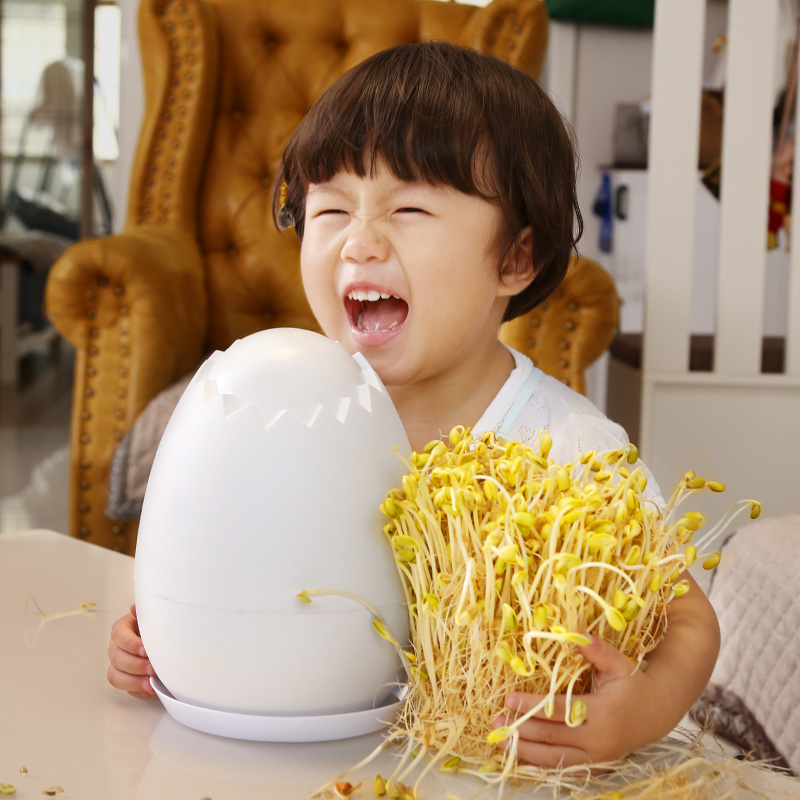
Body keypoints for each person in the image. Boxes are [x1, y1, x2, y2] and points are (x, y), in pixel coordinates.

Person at [107, 41, 720, 769]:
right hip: (309, 765)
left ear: (514, 258)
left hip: (490, 770)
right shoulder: (291, 424)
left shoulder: (562, 443)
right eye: (330, 208)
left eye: (409, 209)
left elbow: (688, 615)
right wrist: (166, 638)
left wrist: (645, 707)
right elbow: (233, 566)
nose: (358, 242)